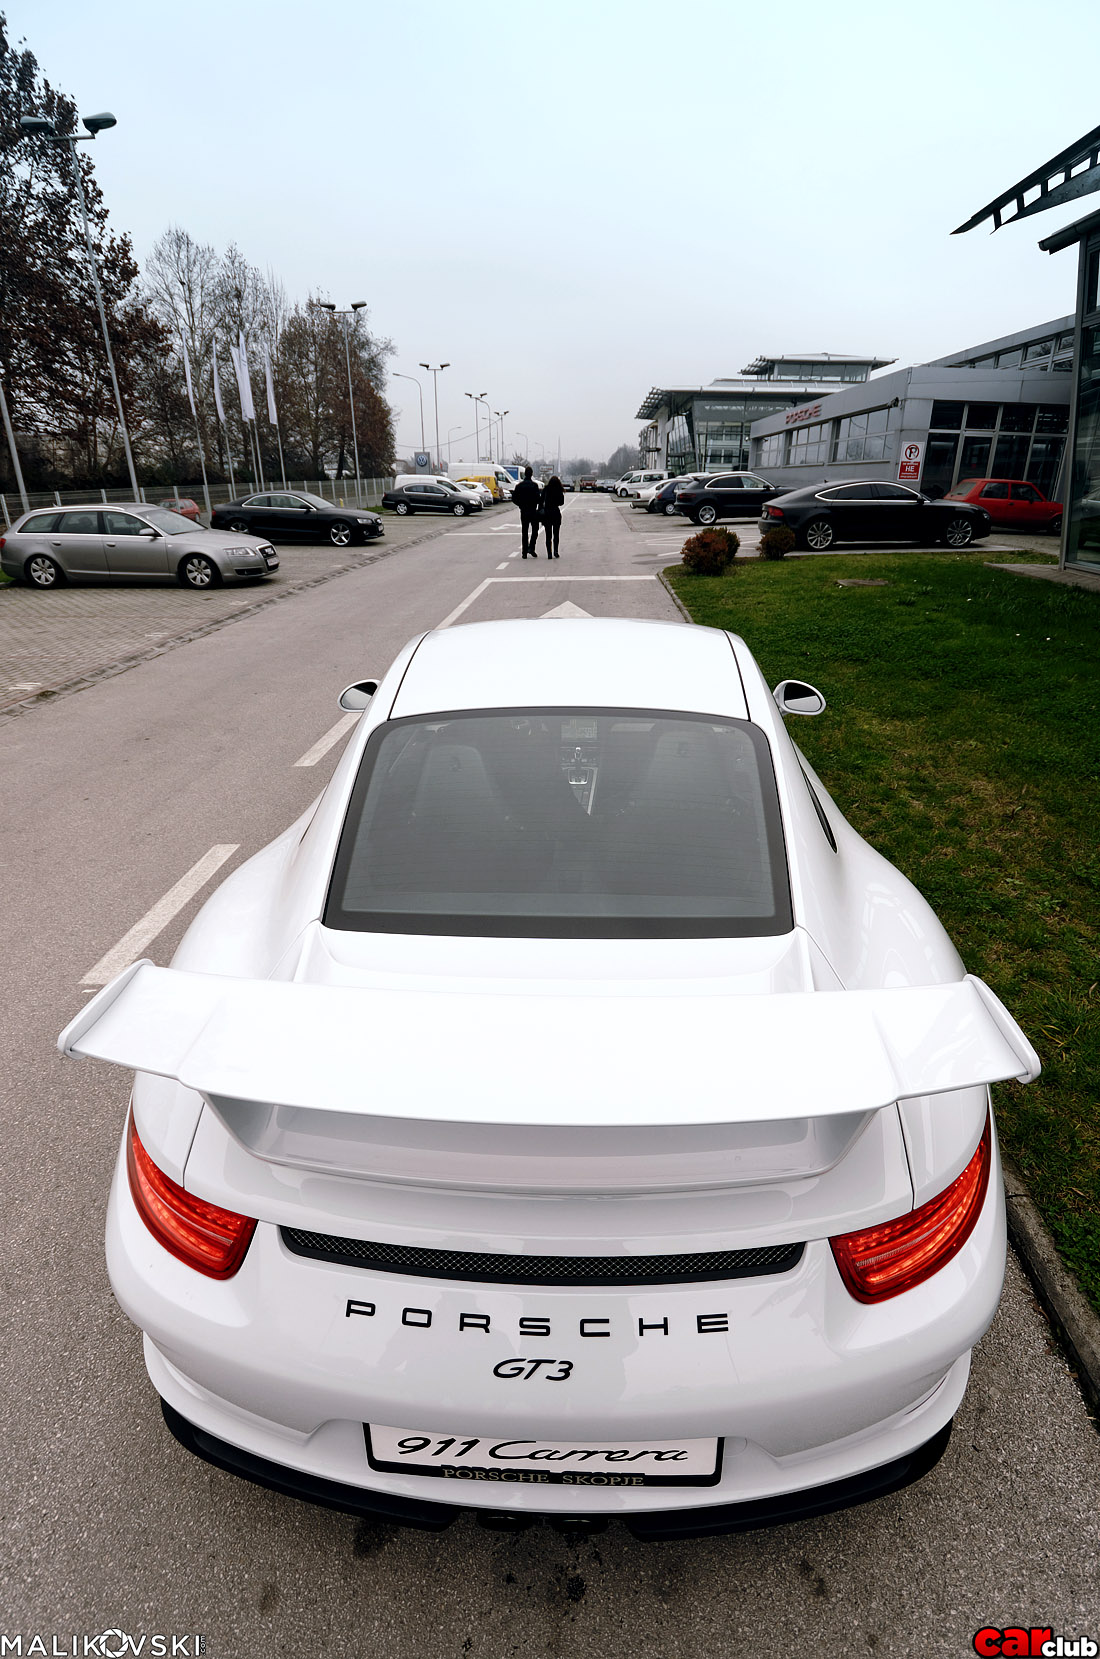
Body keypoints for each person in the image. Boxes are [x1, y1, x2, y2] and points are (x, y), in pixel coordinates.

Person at [512, 465, 541, 558]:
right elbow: (538, 499)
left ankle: (524, 552)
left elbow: (514, 498)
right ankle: (531, 548)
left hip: (524, 511)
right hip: (533, 510)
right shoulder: (534, 486)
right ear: (531, 474)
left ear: (525, 474)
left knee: (524, 531)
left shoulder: (519, 486)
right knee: (535, 530)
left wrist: (520, 504)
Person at [541, 474, 565, 559]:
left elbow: (541, 500)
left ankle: (549, 553)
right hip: (556, 513)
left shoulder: (546, 489)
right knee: (556, 534)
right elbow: (561, 502)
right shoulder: (559, 490)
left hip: (547, 513)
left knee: (548, 535)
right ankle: (556, 551)